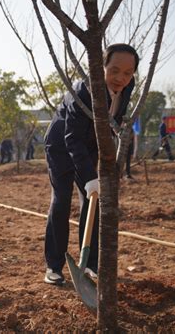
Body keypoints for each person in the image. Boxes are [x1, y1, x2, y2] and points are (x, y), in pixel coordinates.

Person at [43, 43, 139, 285]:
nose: (121, 78)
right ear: (101, 67)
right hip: (61, 145)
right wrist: (89, 176)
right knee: (62, 199)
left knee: (92, 201)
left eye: (128, 73)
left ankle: (90, 264)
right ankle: (54, 266)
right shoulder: (83, 91)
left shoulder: (128, 87)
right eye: (115, 70)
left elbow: (113, 119)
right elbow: (71, 138)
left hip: (90, 145)